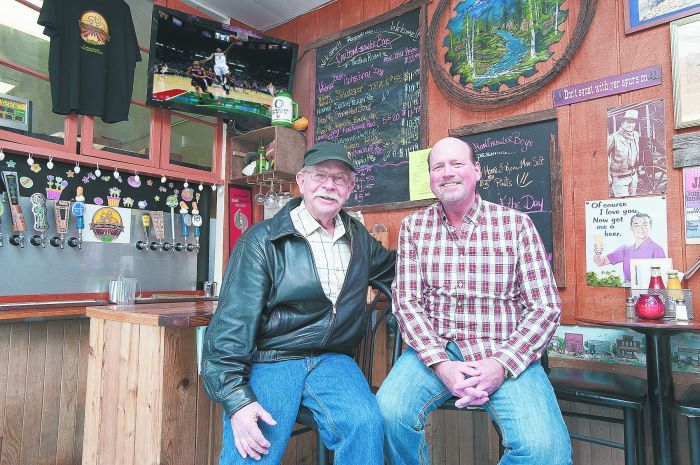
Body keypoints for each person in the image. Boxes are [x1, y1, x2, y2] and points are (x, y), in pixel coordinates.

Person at [376, 137, 571, 465]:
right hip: (436, 348)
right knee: (387, 414)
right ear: (431, 177)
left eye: (457, 164)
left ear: (477, 171)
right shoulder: (413, 228)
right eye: (438, 166)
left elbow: (545, 306)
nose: (447, 172)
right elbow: (407, 301)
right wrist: (442, 364)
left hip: (503, 349)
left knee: (545, 452)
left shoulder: (516, 225)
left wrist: (501, 364)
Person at [202, 142, 396, 464]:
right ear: (302, 182)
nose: (329, 185)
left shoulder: (358, 239)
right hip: (272, 356)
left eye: (340, 179)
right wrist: (237, 400)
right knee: (253, 448)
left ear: (349, 189)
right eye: (321, 175)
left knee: (365, 424)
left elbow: (399, 272)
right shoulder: (262, 241)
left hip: (332, 359)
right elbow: (232, 325)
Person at [593, 212, 666, 283]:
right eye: (636, 225)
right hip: (627, 290)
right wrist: (598, 253)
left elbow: (663, 278)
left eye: (645, 225)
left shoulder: (657, 249)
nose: (641, 228)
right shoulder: (625, 249)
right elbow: (600, 262)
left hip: (649, 291)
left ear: (651, 227)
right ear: (631, 228)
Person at [608, 109, 641, 197]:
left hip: (633, 176)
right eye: (628, 122)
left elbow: (635, 153)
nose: (631, 125)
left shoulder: (635, 135)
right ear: (622, 122)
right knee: (624, 205)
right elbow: (603, 157)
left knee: (633, 203)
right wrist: (607, 175)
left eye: (633, 122)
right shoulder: (613, 138)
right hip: (619, 178)